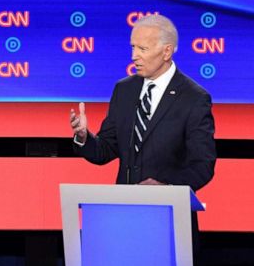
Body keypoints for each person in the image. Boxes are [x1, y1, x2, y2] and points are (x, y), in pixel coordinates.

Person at [70, 14, 215, 191]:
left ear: (166, 52)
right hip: (127, 208)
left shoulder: (193, 98)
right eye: (133, 47)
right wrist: (84, 137)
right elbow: (105, 150)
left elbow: (202, 165)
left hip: (170, 211)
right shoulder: (124, 90)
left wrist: (167, 187)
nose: (134, 56)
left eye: (142, 49)